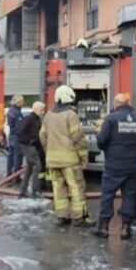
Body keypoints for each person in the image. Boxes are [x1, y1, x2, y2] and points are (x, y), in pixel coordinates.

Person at [94, 93, 136, 240]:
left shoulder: (111, 118)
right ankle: (126, 227)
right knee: (130, 195)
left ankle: (104, 227)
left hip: (114, 165)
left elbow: (101, 142)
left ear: (115, 104)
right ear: (127, 103)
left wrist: (98, 133)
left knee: (108, 195)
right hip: (134, 165)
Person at [39, 86, 95, 227]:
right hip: (69, 160)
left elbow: (42, 135)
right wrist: (83, 156)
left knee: (58, 189)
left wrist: (49, 151)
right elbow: (77, 138)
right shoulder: (70, 115)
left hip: (52, 161)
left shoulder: (48, 115)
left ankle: (62, 217)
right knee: (76, 187)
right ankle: (80, 217)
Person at [16, 101, 46, 198]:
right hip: (28, 146)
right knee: (38, 165)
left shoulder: (36, 119)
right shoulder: (29, 119)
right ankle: (35, 191)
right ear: (36, 109)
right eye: (41, 110)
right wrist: (29, 141)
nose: (43, 112)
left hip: (32, 146)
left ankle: (23, 191)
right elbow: (20, 131)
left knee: (29, 168)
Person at [5, 95, 24, 177]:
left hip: (12, 136)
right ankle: (16, 175)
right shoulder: (16, 112)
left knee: (11, 155)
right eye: (22, 101)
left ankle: (9, 173)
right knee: (17, 156)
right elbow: (19, 126)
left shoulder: (10, 111)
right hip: (17, 137)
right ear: (19, 102)